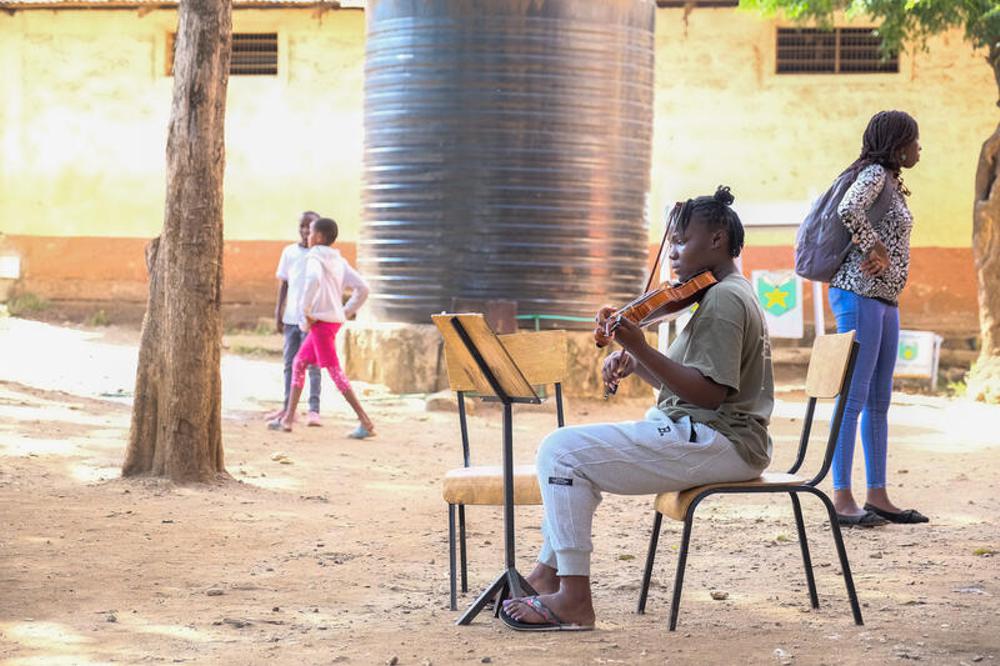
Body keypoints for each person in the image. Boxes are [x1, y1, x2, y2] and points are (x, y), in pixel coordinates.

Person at [501, 187, 774, 631]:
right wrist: (638, 363)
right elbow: (692, 384)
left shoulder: (724, 299)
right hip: (714, 434)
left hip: (721, 438)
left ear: (718, 239)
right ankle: (546, 575)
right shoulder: (722, 293)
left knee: (562, 451)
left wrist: (641, 348)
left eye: (682, 241)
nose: (673, 254)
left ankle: (573, 600)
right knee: (572, 461)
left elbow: (708, 394)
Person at [827, 110, 928, 527]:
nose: (920, 148)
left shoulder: (889, 182)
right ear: (898, 144)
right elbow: (850, 209)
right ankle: (840, 497)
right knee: (853, 398)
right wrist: (874, 248)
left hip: (884, 299)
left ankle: (878, 494)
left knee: (879, 401)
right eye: (915, 140)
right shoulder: (872, 175)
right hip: (859, 294)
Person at [268, 217, 376, 439]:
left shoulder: (314, 258)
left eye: (310, 233)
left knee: (334, 371)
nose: (307, 236)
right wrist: (344, 311)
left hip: (320, 323)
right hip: (330, 321)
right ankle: (288, 419)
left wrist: (305, 311)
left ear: (318, 237)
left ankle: (366, 421)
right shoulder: (339, 260)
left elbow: (313, 280)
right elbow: (363, 288)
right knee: (299, 363)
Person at [266, 211, 324, 427]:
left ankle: (314, 409)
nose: (305, 231)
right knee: (290, 363)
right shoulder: (289, 252)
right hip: (291, 318)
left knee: (313, 365)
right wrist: (278, 313)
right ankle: (288, 406)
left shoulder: (321, 255)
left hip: (313, 320)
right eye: (302, 226)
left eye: (310, 227)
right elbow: (284, 284)